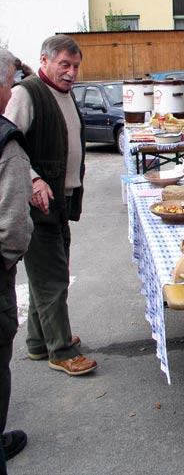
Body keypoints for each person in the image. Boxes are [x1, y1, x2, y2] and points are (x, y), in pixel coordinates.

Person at [4, 34, 97, 376]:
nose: (71, 72)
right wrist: (32, 179)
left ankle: (38, 342)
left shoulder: (65, 93)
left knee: (45, 277)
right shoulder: (25, 93)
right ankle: (60, 350)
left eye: (75, 66)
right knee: (53, 278)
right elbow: (5, 141)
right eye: (64, 65)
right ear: (44, 61)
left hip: (60, 201)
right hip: (35, 205)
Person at [0, 49, 33, 466]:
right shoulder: (6, 141)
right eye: (8, 84)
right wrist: (8, 258)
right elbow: (12, 225)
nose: (10, 93)